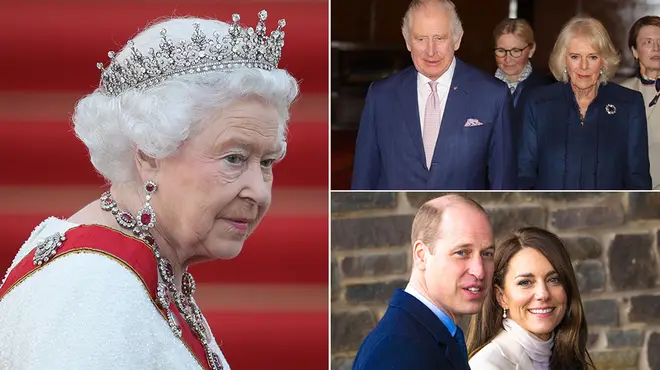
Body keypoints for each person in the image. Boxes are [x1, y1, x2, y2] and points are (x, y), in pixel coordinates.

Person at [0, 11, 298, 369]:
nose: (259, 193)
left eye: (267, 163)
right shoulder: (92, 291)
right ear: (149, 153)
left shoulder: (138, 268)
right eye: (234, 158)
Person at [350, 0, 516, 190]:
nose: (430, 51)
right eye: (420, 39)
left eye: (439, 38)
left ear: (457, 39)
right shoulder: (381, 96)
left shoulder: (493, 95)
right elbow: (363, 181)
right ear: (407, 42)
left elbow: (504, 184)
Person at [352, 194, 495, 370]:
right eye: (462, 253)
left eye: (487, 254)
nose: (479, 271)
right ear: (421, 255)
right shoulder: (398, 351)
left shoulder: (426, 334)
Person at [518, 16, 651, 190]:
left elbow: (637, 180)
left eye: (592, 57)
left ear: (603, 61)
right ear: (564, 60)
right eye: (575, 57)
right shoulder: (538, 103)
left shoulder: (629, 104)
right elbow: (523, 176)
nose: (583, 66)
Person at [467, 227, 595, 370]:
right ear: (501, 297)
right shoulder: (487, 365)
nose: (543, 294)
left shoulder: (566, 356)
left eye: (554, 279)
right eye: (525, 282)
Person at [492, 18, 554, 147]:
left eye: (516, 51)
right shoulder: (482, 88)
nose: (508, 59)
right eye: (501, 51)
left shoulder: (548, 89)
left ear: (531, 50)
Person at [620, 16, 660, 189]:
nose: (656, 48)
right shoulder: (620, 93)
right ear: (635, 51)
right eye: (648, 42)